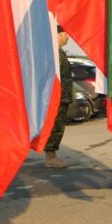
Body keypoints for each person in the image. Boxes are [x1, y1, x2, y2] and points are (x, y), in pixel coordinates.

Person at [44, 26, 73, 168]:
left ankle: (51, 156)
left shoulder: (59, 53)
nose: (68, 38)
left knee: (58, 126)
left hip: (62, 97)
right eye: (65, 35)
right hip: (57, 98)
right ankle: (50, 158)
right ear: (59, 35)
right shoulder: (54, 53)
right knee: (56, 127)